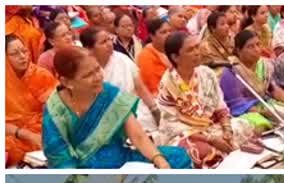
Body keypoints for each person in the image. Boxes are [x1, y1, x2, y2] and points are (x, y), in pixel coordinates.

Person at [41, 46, 191, 169]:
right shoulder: (56, 109)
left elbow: (137, 135)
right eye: (88, 75)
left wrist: (159, 160)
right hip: (82, 169)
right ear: (66, 82)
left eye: (97, 69)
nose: (98, 77)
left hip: (121, 160)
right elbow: (59, 155)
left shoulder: (109, 93)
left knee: (178, 157)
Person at [157, 31, 254, 168]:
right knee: (200, 152)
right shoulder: (168, 84)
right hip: (184, 134)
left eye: (197, 47)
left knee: (243, 125)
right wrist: (211, 139)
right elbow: (172, 126)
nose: (197, 52)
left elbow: (220, 107)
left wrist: (227, 130)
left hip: (209, 127)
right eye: (191, 50)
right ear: (175, 57)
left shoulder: (207, 74)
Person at [220, 29, 284, 133]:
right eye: (250, 47)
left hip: (265, 104)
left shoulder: (263, 65)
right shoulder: (231, 71)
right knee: (260, 125)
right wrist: (265, 112)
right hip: (245, 112)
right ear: (238, 50)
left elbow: (274, 89)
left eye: (258, 44)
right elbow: (236, 104)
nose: (256, 49)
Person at [80, 27, 161, 130]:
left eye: (109, 39)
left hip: (136, 112)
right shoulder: (85, 70)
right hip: (106, 122)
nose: (109, 44)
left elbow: (140, 88)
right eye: (103, 42)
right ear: (89, 49)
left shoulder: (122, 59)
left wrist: (154, 109)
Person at [5, 35, 58, 167]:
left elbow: (57, 110)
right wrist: (26, 135)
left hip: (41, 128)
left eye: (24, 51)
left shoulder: (40, 75)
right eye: (15, 54)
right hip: (13, 133)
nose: (22, 56)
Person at [137, 17, 172, 96]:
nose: (168, 34)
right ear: (152, 36)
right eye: (163, 32)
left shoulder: (172, 49)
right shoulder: (146, 56)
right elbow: (154, 88)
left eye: (170, 31)